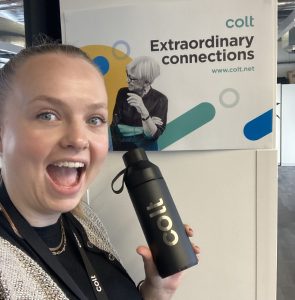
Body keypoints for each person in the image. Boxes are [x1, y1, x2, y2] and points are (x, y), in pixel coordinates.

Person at [0, 44, 199, 299]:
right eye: (48, 115)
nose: (79, 139)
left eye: (94, 119)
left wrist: (156, 290)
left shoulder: (84, 221)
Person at [111, 56, 168, 151]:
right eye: (128, 75)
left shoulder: (160, 99)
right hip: (121, 151)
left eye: (132, 79)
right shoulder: (122, 93)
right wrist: (145, 126)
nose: (127, 80)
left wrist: (143, 111)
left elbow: (152, 136)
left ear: (146, 83)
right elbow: (116, 128)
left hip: (148, 153)